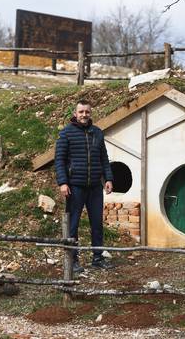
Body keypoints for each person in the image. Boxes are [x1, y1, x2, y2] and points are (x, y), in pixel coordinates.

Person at [54, 99, 114, 273]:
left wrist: (108, 179)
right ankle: (73, 260)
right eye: (81, 112)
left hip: (95, 187)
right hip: (75, 187)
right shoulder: (66, 134)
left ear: (91, 113)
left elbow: (104, 159)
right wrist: (63, 182)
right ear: (75, 113)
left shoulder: (97, 133)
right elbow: (59, 160)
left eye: (87, 112)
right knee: (73, 225)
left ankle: (97, 258)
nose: (84, 115)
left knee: (97, 224)